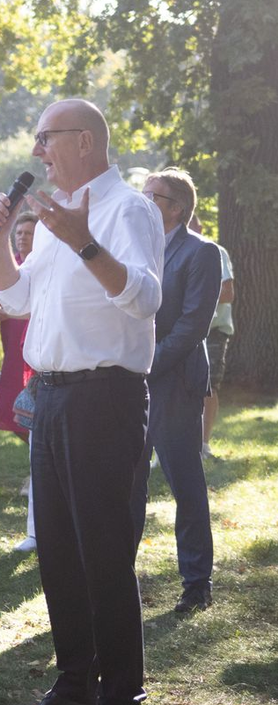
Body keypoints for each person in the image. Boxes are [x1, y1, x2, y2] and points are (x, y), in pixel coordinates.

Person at [0, 97, 163, 705]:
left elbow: (146, 295)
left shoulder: (126, 209)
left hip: (104, 399)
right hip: (52, 397)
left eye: (45, 138)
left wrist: (83, 242)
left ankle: (123, 701)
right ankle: (76, 682)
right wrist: (1, 241)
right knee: (57, 550)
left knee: (104, 553)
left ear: (83, 141)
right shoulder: (55, 218)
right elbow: (16, 295)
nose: (37, 152)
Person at [131, 170, 222, 614]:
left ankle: (196, 582)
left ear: (177, 208)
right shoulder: (135, 247)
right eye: (143, 193)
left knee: (184, 483)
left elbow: (193, 324)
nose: (145, 200)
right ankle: (117, 573)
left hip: (175, 380)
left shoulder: (201, 252)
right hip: (131, 377)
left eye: (154, 195)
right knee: (129, 479)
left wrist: (149, 361)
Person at [0, 212, 38, 551]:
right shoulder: (9, 266)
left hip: (39, 356)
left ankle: (38, 471)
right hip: (13, 355)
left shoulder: (43, 264)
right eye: (19, 232)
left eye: (29, 233)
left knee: (34, 420)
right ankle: (37, 464)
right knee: (16, 416)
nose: (22, 238)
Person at [189, 213, 233, 458]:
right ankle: (167, 450)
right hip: (185, 330)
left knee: (208, 386)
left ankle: (203, 446)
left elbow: (227, 293)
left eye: (191, 222)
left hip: (213, 330)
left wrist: (192, 300)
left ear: (200, 226)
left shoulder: (215, 251)